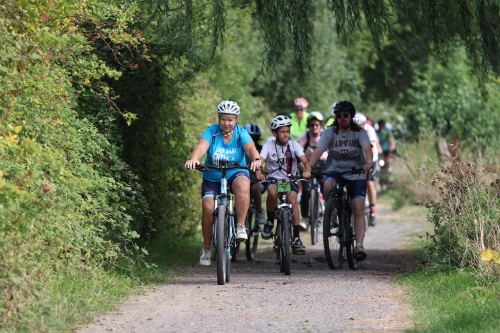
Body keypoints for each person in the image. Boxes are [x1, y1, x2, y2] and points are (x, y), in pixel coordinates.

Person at [185, 101, 262, 266]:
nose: (226, 123)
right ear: (219, 119)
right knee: (207, 207)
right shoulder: (211, 131)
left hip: (236, 172)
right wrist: (194, 159)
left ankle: (240, 226)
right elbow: (201, 146)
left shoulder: (241, 133)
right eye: (223, 119)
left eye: (230, 120)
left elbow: (250, 148)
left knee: (243, 186)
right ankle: (206, 249)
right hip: (213, 174)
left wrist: (256, 159)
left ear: (236, 120)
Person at [308, 101, 373, 260]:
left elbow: (367, 148)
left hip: (356, 173)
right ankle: (331, 215)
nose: (342, 118)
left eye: (345, 115)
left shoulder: (360, 133)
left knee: (357, 208)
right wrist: (308, 167)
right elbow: (319, 150)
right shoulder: (330, 132)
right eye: (338, 115)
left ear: (351, 116)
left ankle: (359, 245)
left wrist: (369, 162)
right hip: (335, 171)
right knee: (327, 187)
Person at [257, 115, 312, 254]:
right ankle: (270, 221)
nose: (286, 134)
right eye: (282, 131)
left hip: (290, 180)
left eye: (287, 131)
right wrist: (258, 171)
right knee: (272, 193)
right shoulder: (268, 146)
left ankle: (296, 238)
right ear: (274, 133)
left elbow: (305, 161)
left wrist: (307, 170)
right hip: (273, 180)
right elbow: (260, 160)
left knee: (293, 201)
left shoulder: (294, 145)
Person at [296, 111, 328, 231]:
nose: (314, 127)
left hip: (324, 165)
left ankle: (330, 213)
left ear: (321, 125)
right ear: (308, 126)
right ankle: (304, 219)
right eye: (312, 125)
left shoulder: (326, 136)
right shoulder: (306, 136)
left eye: (317, 125)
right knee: (306, 190)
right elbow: (298, 148)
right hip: (308, 165)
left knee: (327, 187)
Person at [353, 112, 382, 226]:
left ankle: (372, 211)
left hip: (370, 158)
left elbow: (372, 148)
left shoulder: (369, 130)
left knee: (370, 183)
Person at [244, 123, 267, 224]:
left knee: (255, 188)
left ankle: (259, 210)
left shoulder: (263, 151)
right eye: (250, 138)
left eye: (255, 138)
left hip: (259, 182)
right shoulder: (239, 151)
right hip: (243, 180)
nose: (253, 141)